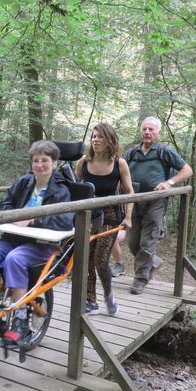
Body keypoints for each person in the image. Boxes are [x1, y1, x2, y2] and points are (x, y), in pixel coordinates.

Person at [0, 140, 74, 346]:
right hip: (13, 239)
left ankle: (20, 321)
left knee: (14, 258)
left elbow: (64, 220)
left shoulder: (61, 190)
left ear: (54, 163)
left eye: (45, 160)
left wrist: (32, 220)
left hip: (42, 245)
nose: (40, 165)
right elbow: (1, 205)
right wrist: (13, 216)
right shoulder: (22, 183)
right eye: (36, 160)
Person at [125, 116, 193, 294]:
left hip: (156, 202)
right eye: (144, 129)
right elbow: (121, 171)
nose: (147, 132)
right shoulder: (132, 152)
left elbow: (187, 170)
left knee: (147, 242)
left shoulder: (164, 151)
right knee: (133, 243)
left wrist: (168, 183)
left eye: (151, 130)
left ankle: (140, 279)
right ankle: (153, 262)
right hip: (134, 202)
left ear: (158, 132)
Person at [75, 123, 134, 315]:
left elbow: (129, 192)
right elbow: (75, 190)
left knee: (100, 261)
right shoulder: (83, 162)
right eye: (93, 136)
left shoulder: (119, 163)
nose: (96, 140)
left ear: (109, 140)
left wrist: (128, 217)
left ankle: (109, 295)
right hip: (88, 216)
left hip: (110, 216)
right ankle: (90, 300)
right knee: (86, 260)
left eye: (100, 137)